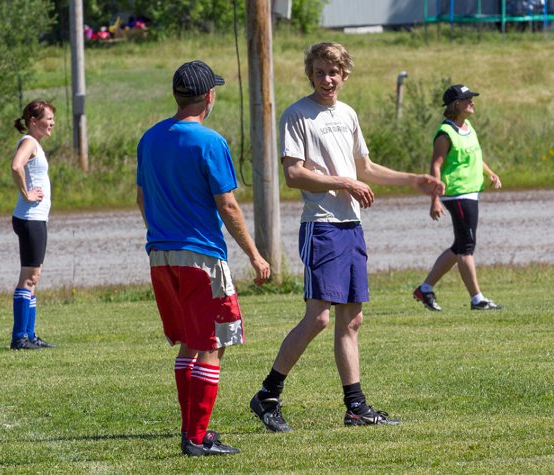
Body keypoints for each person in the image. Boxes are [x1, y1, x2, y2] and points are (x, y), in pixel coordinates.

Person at [248, 42, 443, 431]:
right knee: (319, 317)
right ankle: (268, 395)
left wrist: (413, 180)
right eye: (320, 72)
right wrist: (344, 183)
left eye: (333, 72)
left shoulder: (348, 114)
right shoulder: (297, 115)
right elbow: (294, 174)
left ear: (345, 75)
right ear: (311, 74)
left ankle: (356, 408)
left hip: (351, 226)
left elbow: (364, 167)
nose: (327, 79)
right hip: (321, 225)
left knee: (352, 320)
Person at [136, 60, 270, 456]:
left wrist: (163, 234)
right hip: (202, 257)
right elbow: (227, 205)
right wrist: (255, 255)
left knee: (190, 344)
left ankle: (192, 430)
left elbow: (142, 198)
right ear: (209, 96)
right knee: (213, 342)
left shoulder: (150, 138)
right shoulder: (210, 142)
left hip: (161, 255)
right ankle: (196, 438)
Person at [413, 85, 503, 312]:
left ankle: (425, 289)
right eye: (467, 99)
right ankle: (477, 299)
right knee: (466, 248)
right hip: (457, 195)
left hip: (470, 193)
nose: (472, 102)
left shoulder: (468, 127)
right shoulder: (445, 133)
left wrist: (490, 173)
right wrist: (434, 199)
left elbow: (475, 156)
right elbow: (436, 165)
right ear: (456, 104)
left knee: (460, 246)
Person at [10, 100, 57, 350]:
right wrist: (26, 193)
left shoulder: (34, 143)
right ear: (33, 121)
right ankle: (19, 338)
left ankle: (29, 335)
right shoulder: (29, 142)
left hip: (36, 218)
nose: (52, 123)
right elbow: (16, 166)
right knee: (29, 277)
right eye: (48, 119)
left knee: (33, 277)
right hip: (30, 218)